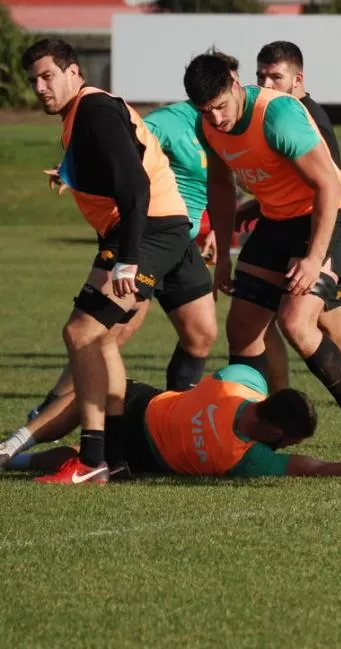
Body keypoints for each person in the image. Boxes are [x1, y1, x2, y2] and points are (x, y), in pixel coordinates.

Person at [20, 38, 213, 484]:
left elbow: (134, 186)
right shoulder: (83, 114)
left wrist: (127, 259)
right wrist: (70, 174)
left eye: (48, 76)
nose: (41, 87)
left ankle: (92, 459)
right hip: (161, 228)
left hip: (147, 231)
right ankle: (119, 455)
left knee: (82, 332)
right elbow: (117, 166)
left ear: (73, 72)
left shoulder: (95, 110)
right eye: (34, 81)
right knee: (133, 336)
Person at [183, 52, 341, 463]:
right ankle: (258, 429)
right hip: (276, 219)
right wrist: (222, 256)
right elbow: (220, 186)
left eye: (220, 105)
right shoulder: (207, 125)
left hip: (327, 215)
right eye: (206, 111)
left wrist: (313, 257)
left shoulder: (278, 116)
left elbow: (327, 185)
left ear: (235, 87)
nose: (215, 118)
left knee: (296, 322)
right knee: (242, 328)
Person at [14, 366, 341, 481]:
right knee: (88, 453)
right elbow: (320, 467)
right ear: (279, 435)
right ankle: (11, 461)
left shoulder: (240, 382)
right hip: (138, 458)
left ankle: (12, 445)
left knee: (90, 393)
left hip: (145, 403)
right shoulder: (241, 460)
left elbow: (251, 374)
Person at [247, 40, 341, 395]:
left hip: (320, 235)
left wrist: (315, 256)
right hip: (292, 229)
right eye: (261, 77)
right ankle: (280, 403)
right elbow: (291, 181)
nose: (266, 86)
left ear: (298, 79)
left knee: (331, 330)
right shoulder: (277, 115)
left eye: (276, 78)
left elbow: (328, 187)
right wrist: (253, 206)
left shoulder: (309, 120)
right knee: (283, 323)